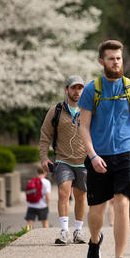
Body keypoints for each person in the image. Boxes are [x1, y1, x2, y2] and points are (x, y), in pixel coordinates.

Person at [78, 39, 130, 258]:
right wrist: (92, 155)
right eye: (111, 58)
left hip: (125, 154)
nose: (116, 62)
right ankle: (94, 239)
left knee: (122, 203)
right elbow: (83, 127)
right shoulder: (92, 89)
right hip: (98, 156)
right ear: (102, 62)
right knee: (96, 213)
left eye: (119, 58)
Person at [38, 75, 88, 245]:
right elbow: (45, 135)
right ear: (66, 90)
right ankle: (64, 231)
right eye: (74, 88)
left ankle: (79, 230)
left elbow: (98, 133)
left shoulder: (89, 110)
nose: (77, 91)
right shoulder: (56, 110)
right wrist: (44, 157)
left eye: (80, 88)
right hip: (63, 160)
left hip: (84, 161)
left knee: (81, 196)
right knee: (63, 193)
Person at [24, 167, 52, 231]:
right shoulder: (46, 182)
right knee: (45, 223)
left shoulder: (32, 180)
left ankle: (26, 235)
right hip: (42, 205)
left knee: (29, 223)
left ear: (37, 172)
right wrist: (47, 205)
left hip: (31, 205)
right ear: (45, 172)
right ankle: (46, 235)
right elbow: (47, 196)